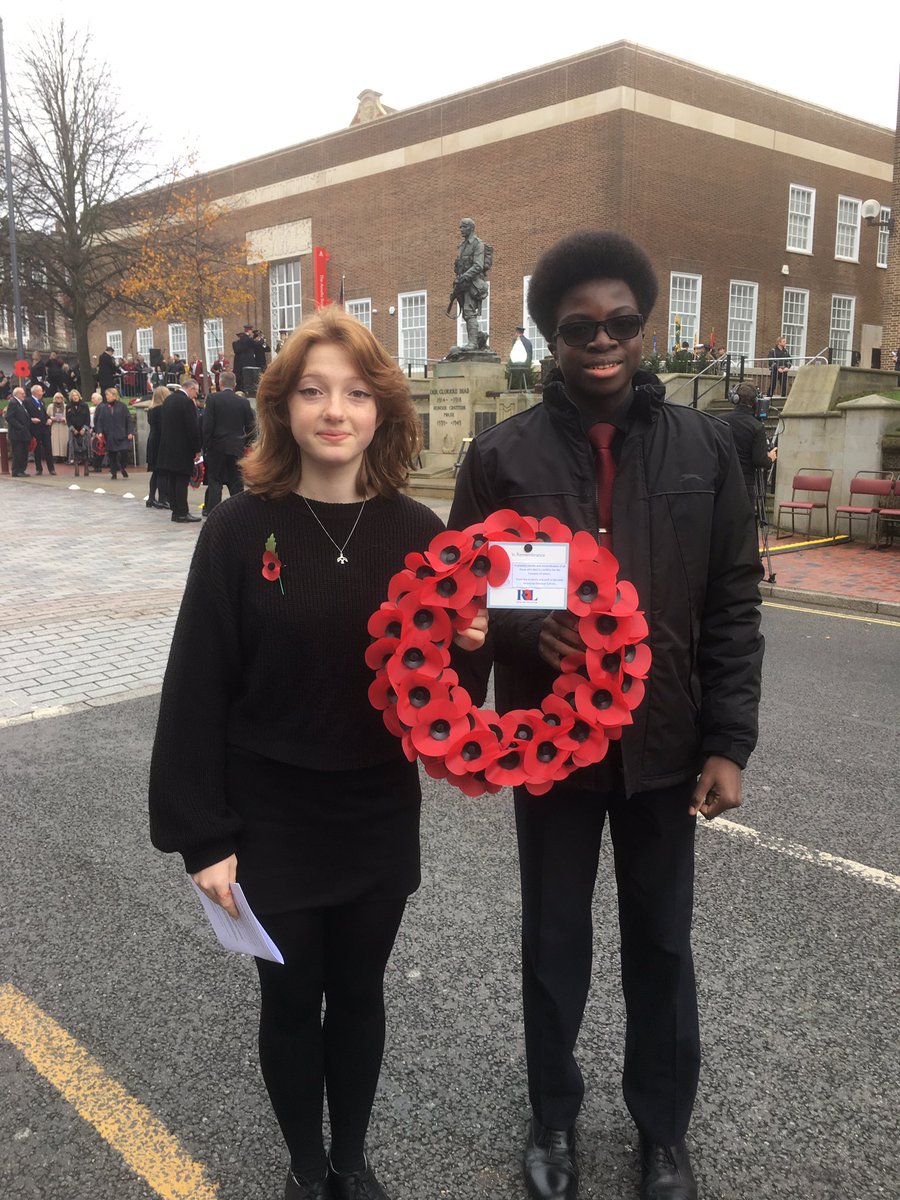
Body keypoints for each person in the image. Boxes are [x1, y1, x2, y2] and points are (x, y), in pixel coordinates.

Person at [449, 230, 764, 1200]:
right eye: (580, 326)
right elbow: (462, 604)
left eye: (622, 323)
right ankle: (554, 1119)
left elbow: (734, 602)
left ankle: (662, 1131)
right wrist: (518, 635)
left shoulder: (707, 449)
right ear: (548, 336)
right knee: (554, 944)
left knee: (662, 946)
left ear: (644, 329)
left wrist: (730, 741)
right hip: (550, 749)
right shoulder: (500, 458)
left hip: (666, 746)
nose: (603, 340)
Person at [148, 306, 485, 1200]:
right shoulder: (235, 529)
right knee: (292, 1000)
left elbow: (447, 709)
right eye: (312, 391)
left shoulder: (420, 534)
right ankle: (305, 1166)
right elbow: (196, 686)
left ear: (381, 411)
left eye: (355, 393)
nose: (335, 410)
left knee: (361, 993)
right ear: (283, 408)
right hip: (270, 815)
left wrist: (474, 643)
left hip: (375, 806)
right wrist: (202, 835)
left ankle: (351, 1162)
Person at [201, 370, 255, 516]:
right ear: (235, 384)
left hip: (216, 447)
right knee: (236, 483)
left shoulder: (212, 399)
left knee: (215, 482)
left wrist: (206, 445)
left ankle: (213, 514)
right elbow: (251, 427)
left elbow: (207, 425)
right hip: (236, 447)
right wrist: (246, 444)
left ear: (220, 383)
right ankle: (238, 514)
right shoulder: (243, 402)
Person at [719, 384, 776, 503]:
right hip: (744, 485)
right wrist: (770, 459)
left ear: (734, 399)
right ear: (756, 402)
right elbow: (759, 460)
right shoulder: (756, 426)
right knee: (744, 520)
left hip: (721, 482)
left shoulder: (719, 421)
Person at [155, 378, 202, 522]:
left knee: (173, 480)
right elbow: (192, 427)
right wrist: (197, 449)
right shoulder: (186, 402)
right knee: (181, 481)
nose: (196, 395)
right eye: (196, 391)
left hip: (168, 447)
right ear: (191, 388)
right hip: (182, 448)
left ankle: (175, 511)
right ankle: (182, 512)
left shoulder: (168, 400)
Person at [452, 218, 489, 349]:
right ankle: (478, 339)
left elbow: (478, 266)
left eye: (464, 227)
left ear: (471, 228)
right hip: (462, 284)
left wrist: (465, 276)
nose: (461, 229)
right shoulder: (462, 246)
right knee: (467, 315)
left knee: (469, 312)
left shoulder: (478, 244)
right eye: (460, 227)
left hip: (473, 284)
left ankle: (473, 343)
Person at [93, 388, 134, 479]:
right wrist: (99, 432)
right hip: (110, 435)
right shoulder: (104, 408)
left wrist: (130, 432)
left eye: (108, 395)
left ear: (114, 396)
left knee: (124, 451)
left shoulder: (122, 406)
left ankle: (122, 467)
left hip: (121, 434)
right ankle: (114, 472)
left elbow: (128, 420)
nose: (106, 397)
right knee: (112, 454)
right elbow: (100, 421)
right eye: (106, 395)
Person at [146, 385, 170, 509]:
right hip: (160, 441)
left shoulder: (151, 409)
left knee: (156, 471)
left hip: (152, 439)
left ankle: (151, 498)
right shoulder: (162, 410)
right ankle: (162, 499)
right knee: (162, 471)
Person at [23, 385, 56, 475]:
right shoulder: (27, 401)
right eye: (41, 391)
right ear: (36, 392)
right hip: (35, 428)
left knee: (48, 448)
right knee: (37, 449)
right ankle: (39, 468)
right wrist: (31, 419)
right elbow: (24, 414)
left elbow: (44, 413)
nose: (42, 393)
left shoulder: (41, 402)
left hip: (44, 428)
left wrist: (48, 418)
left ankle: (51, 468)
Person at [5, 387, 33, 476]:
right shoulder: (13, 403)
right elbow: (9, 417)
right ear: (16, 394)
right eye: (22, 393)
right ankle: (16, 471)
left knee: (24, 452)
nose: (24, 395)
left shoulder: (21, 404)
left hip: (24, 433)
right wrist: (20, 426)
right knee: (18, 453)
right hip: (17, 434)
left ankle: (21, 470)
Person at [66, 389, 92, 478]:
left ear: (79, 396)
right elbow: (68, 420)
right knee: (74, 450)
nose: (75, 397)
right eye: (73, 396)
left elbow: (88, 419)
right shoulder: (68, 407)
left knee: (85, 450)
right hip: (74, 430)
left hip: (83, 429)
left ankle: (86, 468)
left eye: (76, 395)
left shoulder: (84, 405)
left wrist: (84, 429)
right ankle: (76, 469)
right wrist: (73, 429)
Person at [508, 324, 534, 390]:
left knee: (512, 373)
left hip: (516, 365)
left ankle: (513, 388)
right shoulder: (528, 342)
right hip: (526, 365)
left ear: (517, 332)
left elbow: (513, 354)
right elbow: (530, 356)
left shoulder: (515, 341)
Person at [232, 324, 257, 391]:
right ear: (249, 330)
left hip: (240, 368)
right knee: (247, 384)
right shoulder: (248, 340)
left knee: (241, 384)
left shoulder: (241, 342)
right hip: (247, 366)